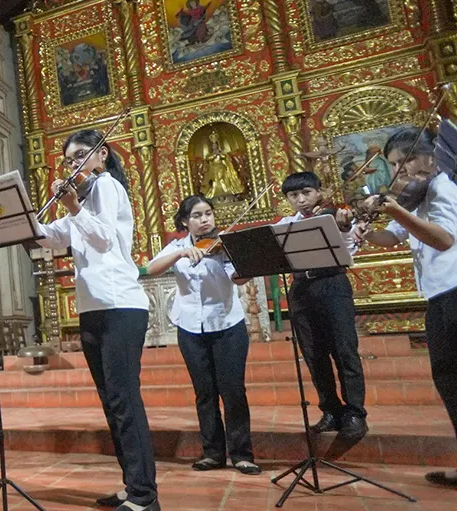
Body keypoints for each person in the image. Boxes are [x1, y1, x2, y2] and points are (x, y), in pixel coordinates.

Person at [38, 129, 160, 511]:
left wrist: (74, 208)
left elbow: (106, 240)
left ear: (101, 155)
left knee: (125, 400)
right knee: (112, 402)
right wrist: (18, 220)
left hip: (119, 305)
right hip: (94, 310)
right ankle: (132, 482)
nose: (73, 165)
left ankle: (145, 494)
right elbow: (50, 236)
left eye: (79, 157)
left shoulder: (106, 187)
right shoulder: (84, 200)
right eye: (69, 160)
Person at [356, 128, 457, 486]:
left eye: (408, 160)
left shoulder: (445, 186)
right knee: (448, 379)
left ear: (432, 155)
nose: (402, 171)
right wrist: (366, 233)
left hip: (454, 290)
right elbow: (393, 237)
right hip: (437, 295)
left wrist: (395, 209)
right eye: (395, 165)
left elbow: (444, 239)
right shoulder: (419, 195)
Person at [146, 196, 260, 475]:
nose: (205, 219)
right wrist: (181, 254)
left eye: (208, 213)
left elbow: (238, 278)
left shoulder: (223, 247)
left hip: (227, 324)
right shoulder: (177, 247)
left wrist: (243, 262)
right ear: (185, 221)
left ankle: (242, 454)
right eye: (197, 215)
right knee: (204, 392)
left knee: (232, 390)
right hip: (190, 326)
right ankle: (212, 453)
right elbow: (151, 268)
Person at [276, 171, 368, 441]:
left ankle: (355, 413)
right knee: (314, 355)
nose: (301, 200)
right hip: (301, 289)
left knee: (344, 350)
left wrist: (342, 227)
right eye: (294, 195)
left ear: (319, 192)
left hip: (332, 284)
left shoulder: (333, 217)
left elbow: (350, 249)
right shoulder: (286, 224)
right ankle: (331, 410)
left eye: (306, 193)